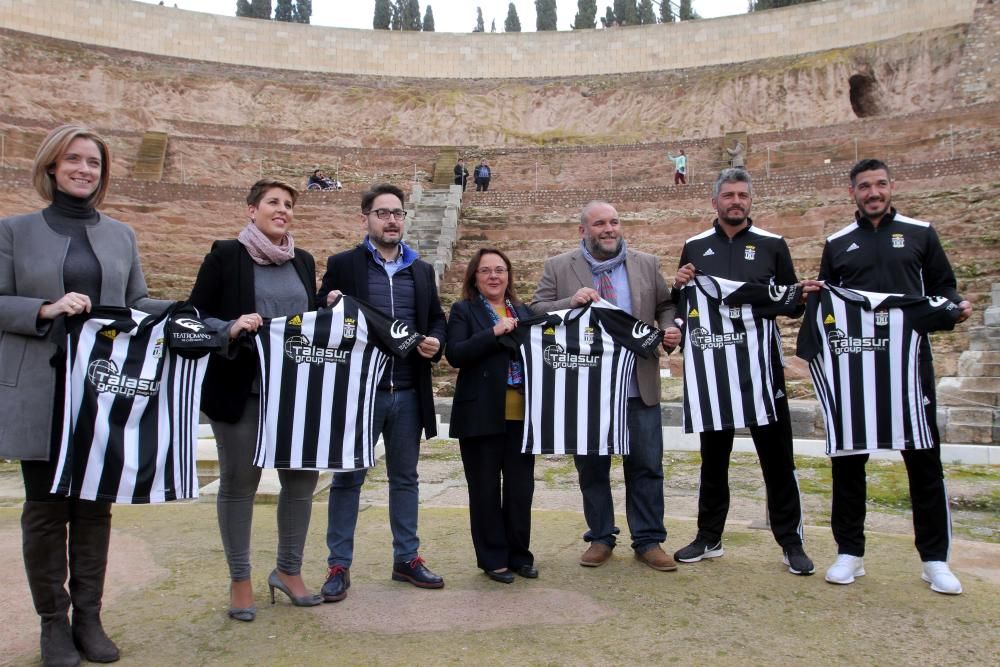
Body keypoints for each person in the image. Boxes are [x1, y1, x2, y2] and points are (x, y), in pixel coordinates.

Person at [1, 125, 170, 666]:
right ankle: (53, 624)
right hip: (41, 391)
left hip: (99, 394)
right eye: (73, 159)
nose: (83, 170)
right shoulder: (13, 231)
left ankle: (89, 619)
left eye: (93, 163)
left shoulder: (121, 234)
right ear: (51, 166)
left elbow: (138, 301)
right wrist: (44, 309)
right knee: (47, 509)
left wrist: (192, 312)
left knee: (94, 508)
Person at [805, 158, 972, 594]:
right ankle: (850, 553)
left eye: (880, 185)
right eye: (864, 186)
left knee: (923, 461)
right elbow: (829, 306)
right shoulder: (838, 242)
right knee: (848, 459)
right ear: (852, 193)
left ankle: (935, 560)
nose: (873, 193)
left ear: (891, 186)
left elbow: (944, 288)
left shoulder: (920, 232)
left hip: (909, 366)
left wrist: (955, 307)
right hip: (854, 369)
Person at [189, 177, 323, 622]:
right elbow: (193, 316)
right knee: (239, 483)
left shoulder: (303, 260)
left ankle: (288, 571)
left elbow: (308, 318)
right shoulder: (227, 254)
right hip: (239, 388)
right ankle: (240, 579)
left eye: (288, 204)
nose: (282, 209)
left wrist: (330, 305)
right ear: (252, 209)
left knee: (301, 482)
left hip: (296, 392)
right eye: (273, 202)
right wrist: (228, 326)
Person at [670, 168, 815, 576]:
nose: (736, 201)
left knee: (777, 460)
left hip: (763, 372)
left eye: (743, 195)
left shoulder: (772, 245)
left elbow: (792, 303)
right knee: (713, 460)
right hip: (714, 372)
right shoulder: (695, 246)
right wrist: (679, 286)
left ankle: (791, 542)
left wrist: (798, 295)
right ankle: (708, 537)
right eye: (729, 195)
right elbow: (685, 307)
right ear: (714, 202)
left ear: (751, 201)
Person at [531, 201, 681, 571]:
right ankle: (600, 536)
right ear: (583, 230)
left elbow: (665, 304)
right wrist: (570, 302)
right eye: (600, 224)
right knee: (592, 467)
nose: (609, 229)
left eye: (614, 222)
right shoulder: (558, 266)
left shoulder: (646, 263)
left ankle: (648, 540)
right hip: (587, 391)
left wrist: (670, 328)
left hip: (637, 384)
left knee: (646, 465)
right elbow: (535, 309)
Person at [317, 183, 448, 601]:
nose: (391, 220)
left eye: (397, 213)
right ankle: (338, 565)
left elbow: (437, 320)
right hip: (360, 394)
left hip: (408, 391)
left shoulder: (421, 270)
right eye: (382, 213)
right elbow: (318, 312)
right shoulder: (343, 264)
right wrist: (328, 301)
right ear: (365, 219)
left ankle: (406, 559)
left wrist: (435, 342)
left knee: (405, 479)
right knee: (347, 478)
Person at [446, 249, 536, 584]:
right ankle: (492, 557)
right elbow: (455, 353)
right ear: (474, 277)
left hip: (522, 416)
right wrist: (494, 333)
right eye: (485, 271)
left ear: (509, 276)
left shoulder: (524, 312)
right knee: (484, 490)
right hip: (480, 413)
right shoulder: (463, 310)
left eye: (500, 270)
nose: (494, 276)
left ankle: (519, 555)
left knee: (519, 489)